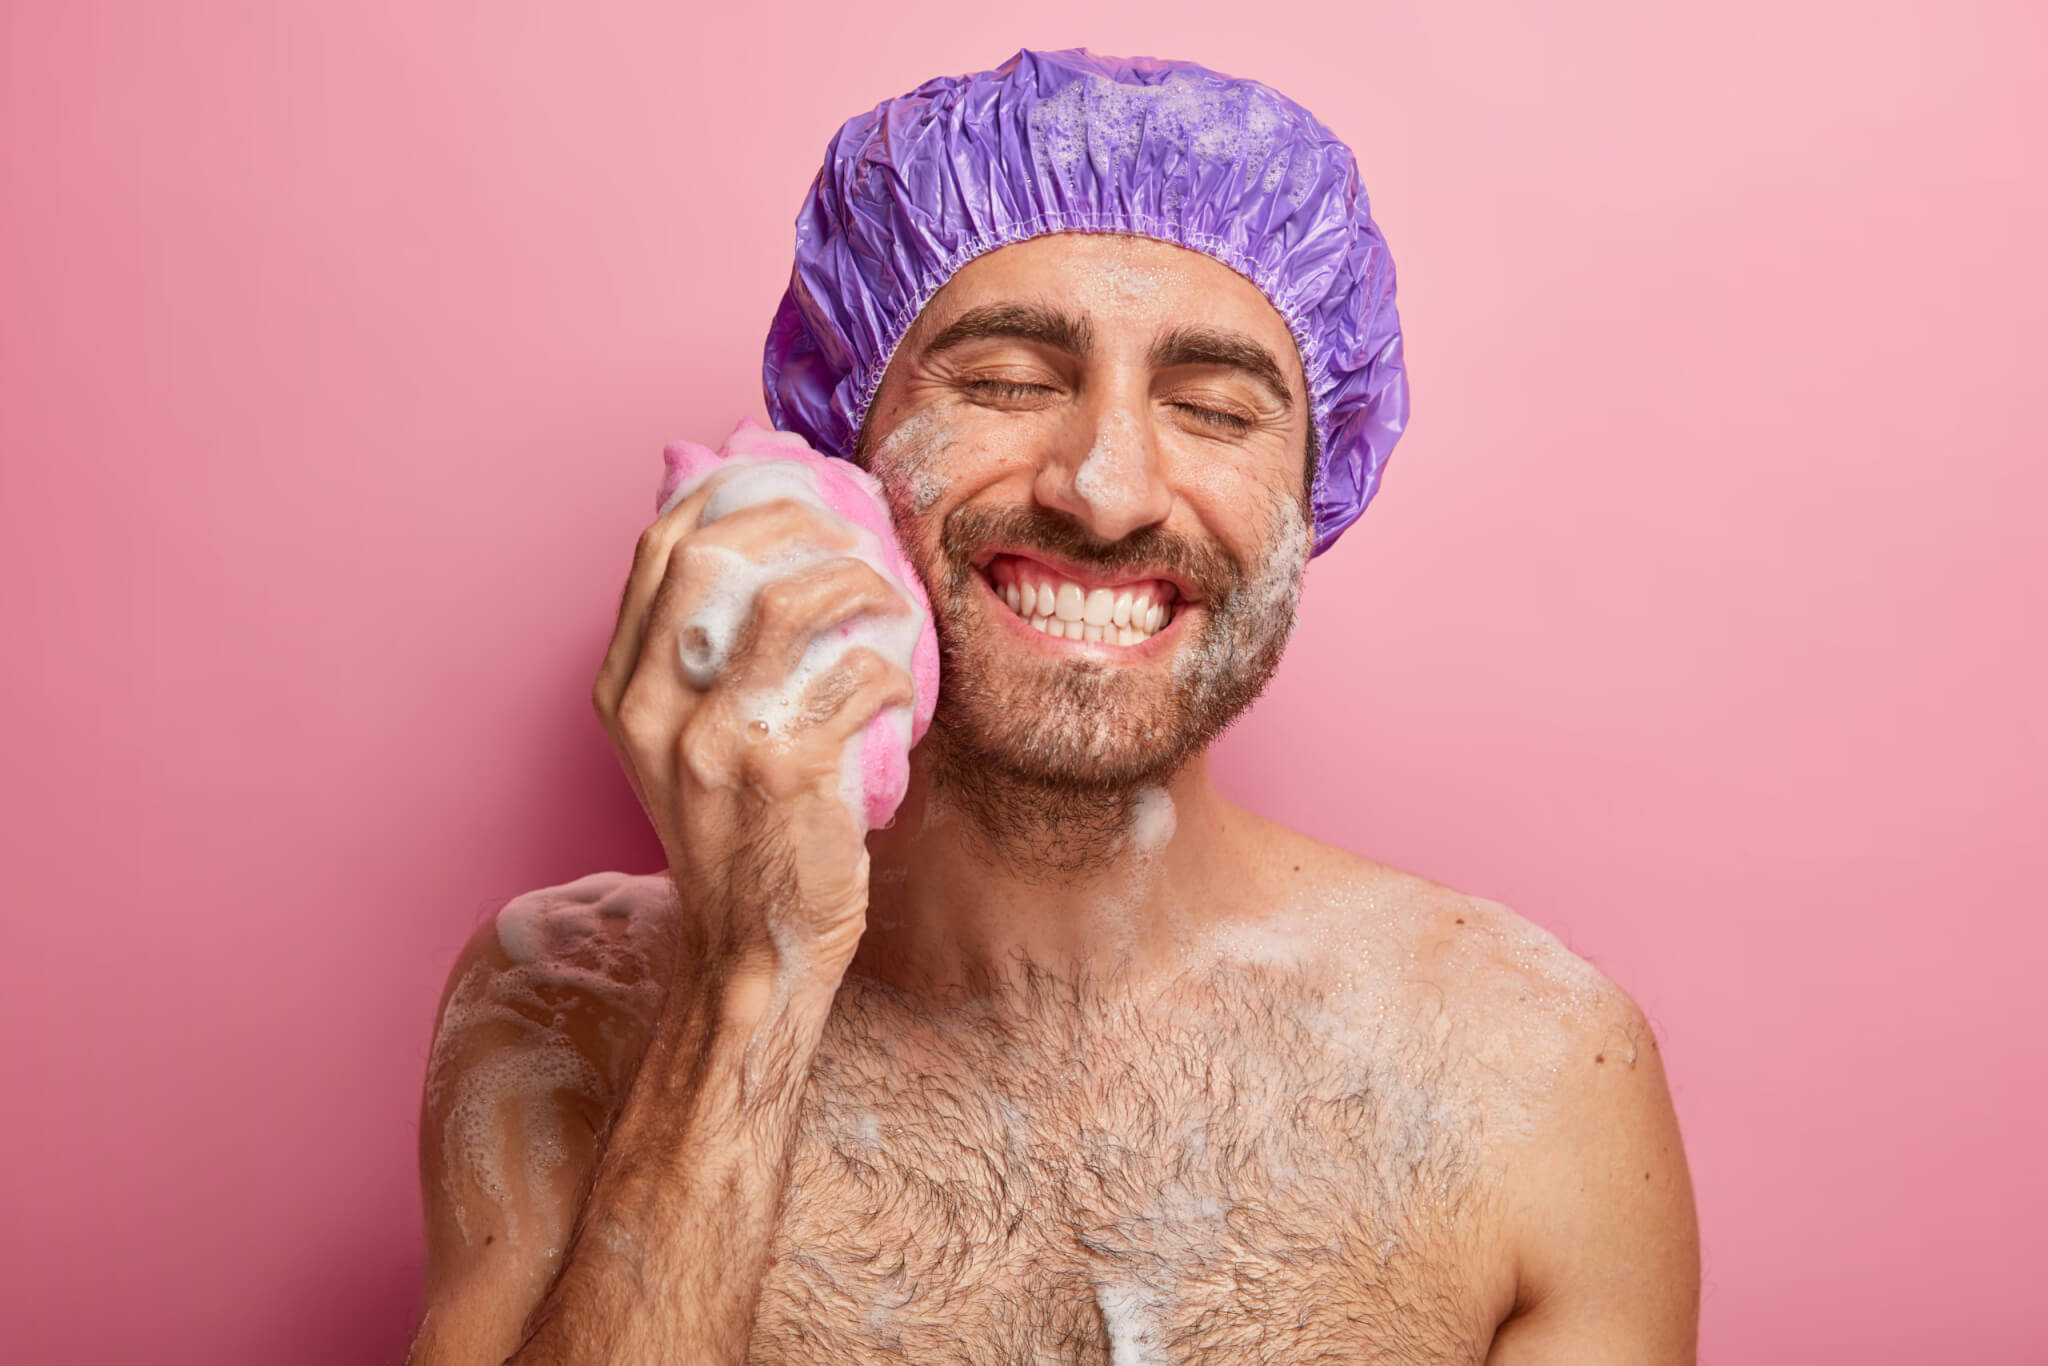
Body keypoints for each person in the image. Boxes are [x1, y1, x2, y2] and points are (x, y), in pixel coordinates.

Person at [407, 48, 1700, 1366]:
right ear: (843, 447)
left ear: (1310, 501)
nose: (1108, 487)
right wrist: (755, 977)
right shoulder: (574, 1008)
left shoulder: (1537, 1079)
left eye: (1210, 407)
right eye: (1009, 380)